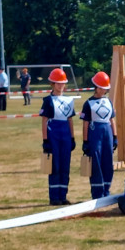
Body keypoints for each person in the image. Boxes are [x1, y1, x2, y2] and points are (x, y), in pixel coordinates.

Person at [40, 68, 76, 206]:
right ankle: (54, 196)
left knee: (65, 166)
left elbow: (70, 120)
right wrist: (45, 140)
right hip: (53, 136)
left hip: (65, 136)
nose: (61, 86)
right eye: (58, 83)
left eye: (63, 83)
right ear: (52, 84)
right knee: (54, 166)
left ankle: (63, 195)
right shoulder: (48, 101)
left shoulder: (69, 100)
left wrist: (72, 138)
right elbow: (44, 120)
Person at [80, 71, 117, 199]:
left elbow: (112, 120)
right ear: (96, 87)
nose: (103, 90)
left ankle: (106, 190)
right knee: (96, 162)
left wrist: (115, 136)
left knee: (108, 161)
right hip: (95, 133)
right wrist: (85, 142)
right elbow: (85, 124)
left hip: (107, 133)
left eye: (105, 88)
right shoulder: (88, 103)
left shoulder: (108, 102)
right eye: (101, 87)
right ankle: (97, 192)